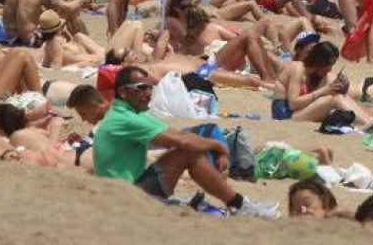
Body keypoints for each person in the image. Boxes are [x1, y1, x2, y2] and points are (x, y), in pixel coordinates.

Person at [93, 65, 278, 216]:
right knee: (188, 152)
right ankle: (239, 205)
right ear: (124, 93)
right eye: (142, 88)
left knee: (191, 145)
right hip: (126, 197)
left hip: (126, 188)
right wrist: (219, 147)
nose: (149, 93)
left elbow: (178, 135)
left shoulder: (127, 113)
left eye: (150, 87)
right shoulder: (126, 119)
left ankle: (237, 203)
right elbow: (183, 142)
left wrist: (214, 146)